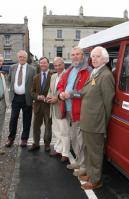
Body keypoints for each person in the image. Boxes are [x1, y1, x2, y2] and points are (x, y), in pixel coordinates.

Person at [78, 46, 115, 190]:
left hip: (96, 122)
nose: (94, 58)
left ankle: (96, 180)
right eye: (92, 56)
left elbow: (107, 103)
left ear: (105, 59)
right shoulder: (95, 72)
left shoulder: (106, 75)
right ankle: (90, 173)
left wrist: (103, 125)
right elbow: (86, 92)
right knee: (88, 149)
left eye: (97, 56)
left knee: (95, 152)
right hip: (88, 120)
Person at [57, 47, 92, 176]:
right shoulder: (70, 69)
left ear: (83, 56)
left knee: (81, 139)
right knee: (73, 137)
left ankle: (84, 165)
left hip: (79, 110)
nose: (75, 56)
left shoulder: (88, 71)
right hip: (67, 109)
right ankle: (78, 160)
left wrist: (70, 94)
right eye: (73, 54)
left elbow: (86, 92)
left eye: (78, 54)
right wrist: (61, 93)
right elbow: (61, 84)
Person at [5, 50, 36, 148]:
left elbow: (34, 83)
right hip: (15, 97)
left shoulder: (32, 69)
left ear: (26, 58)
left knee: (27, 119)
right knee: (13, 118)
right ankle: (11, 138)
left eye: (24, 57)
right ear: (18, 57)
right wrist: (11, 89)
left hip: (27, 98)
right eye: (20, 57)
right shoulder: (12, 67)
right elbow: (9, 79)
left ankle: (24, 139)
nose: (22, 59)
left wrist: (33, 96)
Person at [46, 57, 70, 162]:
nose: (57, 67)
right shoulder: (53, 76)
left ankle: (65, 153)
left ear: (63, 64)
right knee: (56, 131)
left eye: (59, 65)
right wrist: (48, 97)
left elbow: (68, 91)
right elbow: (51, 90)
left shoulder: (68, 75)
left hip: (62, 107)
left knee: (64, 131)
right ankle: (59, 149)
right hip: (53, 107)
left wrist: (57, 98)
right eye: (55, 65)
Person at [30, 57, 52, 152]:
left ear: (48, 64)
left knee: (48, 125)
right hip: (38, 105)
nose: (43, 64)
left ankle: (47, 144)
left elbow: (55, 91)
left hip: (48, 105)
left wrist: (49, 97)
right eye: (41, 63)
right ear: (39, 64)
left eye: (44, 63)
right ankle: (36, 143)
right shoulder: (36, 77)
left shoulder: (53, 76)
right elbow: (32, 92)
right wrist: (37, 96)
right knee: (36, 126)